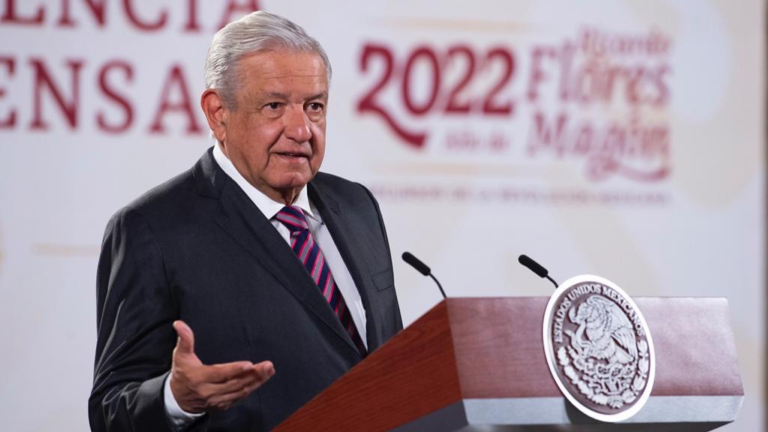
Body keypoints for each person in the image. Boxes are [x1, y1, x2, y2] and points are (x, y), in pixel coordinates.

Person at [89, 11, 402, 432]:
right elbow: (111, 410)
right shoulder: (151, 230)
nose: (301, 129)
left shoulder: (357, 204)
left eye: (314, 106)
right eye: (274, 106)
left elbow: (388, 362)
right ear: (218, 113)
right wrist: (176, 398)